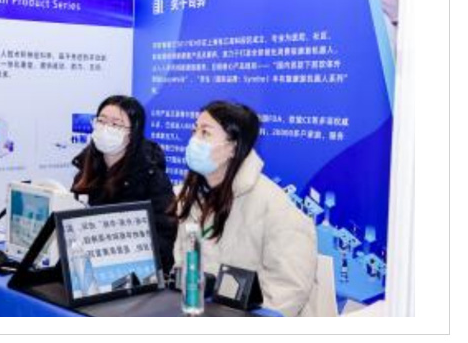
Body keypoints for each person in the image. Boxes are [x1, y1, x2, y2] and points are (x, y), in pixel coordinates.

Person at [170, 100, 320, 316]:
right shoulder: (193, 196)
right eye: (195, 131)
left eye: (205, 133)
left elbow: (288, 289)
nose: (194, 140)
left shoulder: (273, 205)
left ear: (233, 146)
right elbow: (183, 263)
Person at [71, 95, 178, 272]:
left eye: (116, 124)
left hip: (130, 272)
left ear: (132, 133)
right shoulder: (86, 170)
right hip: (87, 269)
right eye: (101, 121)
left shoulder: (151, 178)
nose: (106, 128)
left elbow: (165, 239)